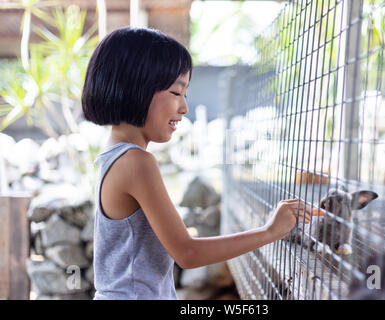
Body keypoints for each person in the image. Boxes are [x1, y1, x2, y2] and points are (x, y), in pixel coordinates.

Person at [81, 26, 311, 300]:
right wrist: (269, 231)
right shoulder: (136, 162)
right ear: (135, 89)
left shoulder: (116, 156)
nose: (184, 108)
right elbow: (187, 253)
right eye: (176, 93)